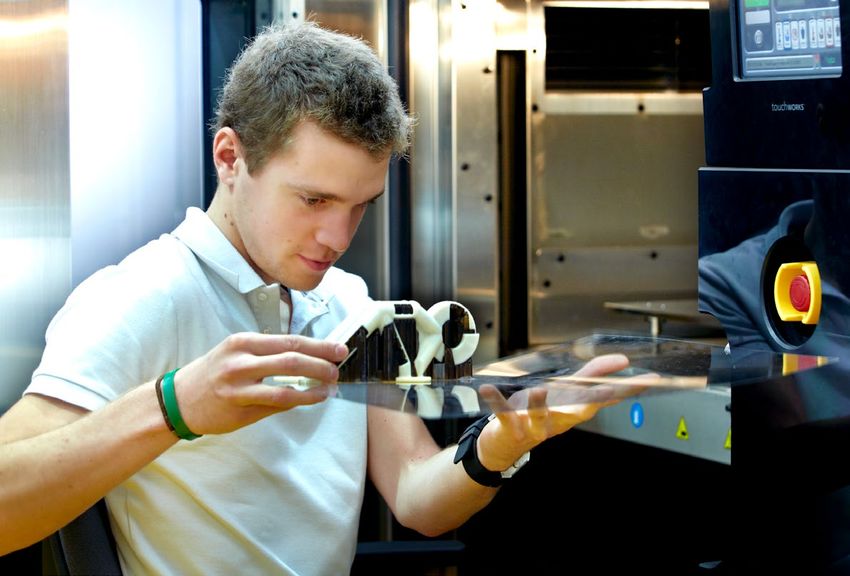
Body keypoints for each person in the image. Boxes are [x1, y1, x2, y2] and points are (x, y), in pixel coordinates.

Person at [0, 21, 629, 575]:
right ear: (230, 158)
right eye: (313, 200)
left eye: (360, 205)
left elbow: (417, 498)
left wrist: (499, 444)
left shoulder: (347, 300)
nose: (338, 237)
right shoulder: (144, 296)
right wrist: (175, 408)